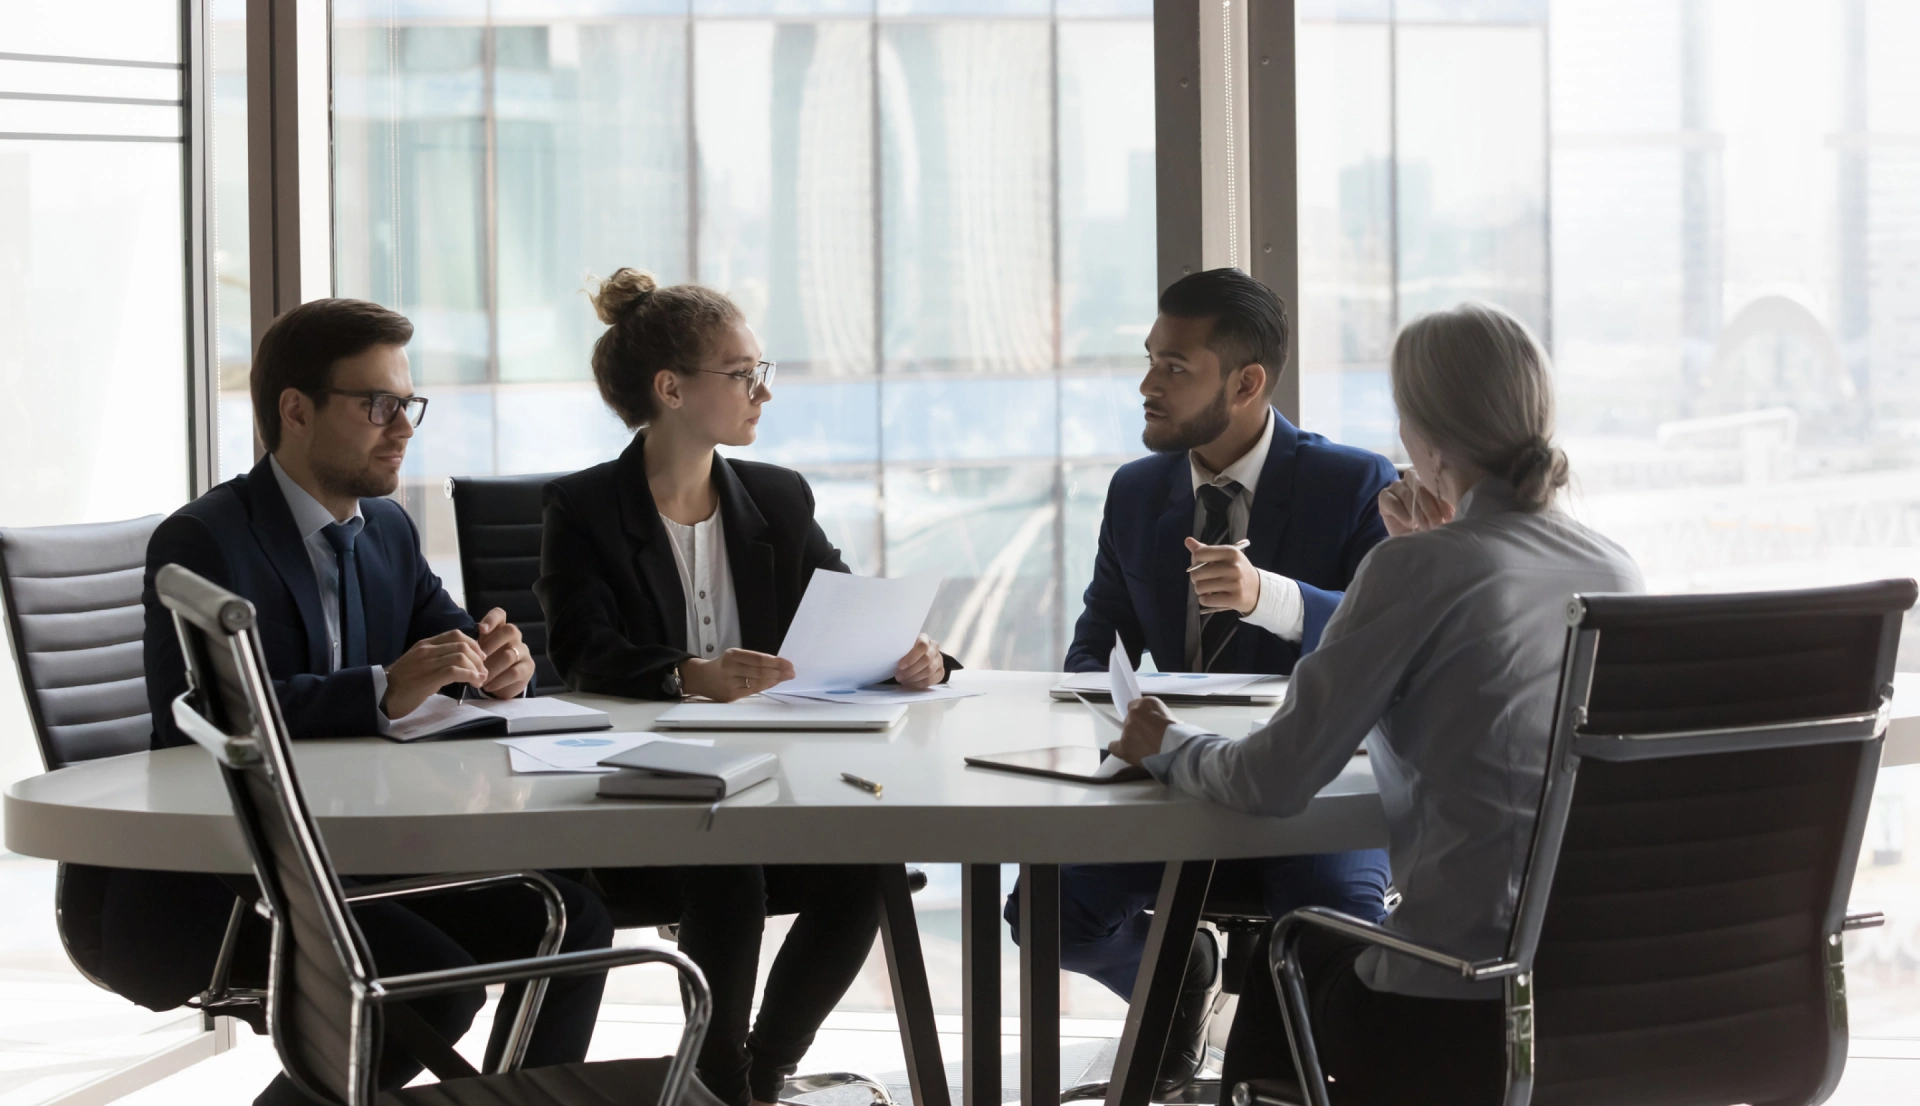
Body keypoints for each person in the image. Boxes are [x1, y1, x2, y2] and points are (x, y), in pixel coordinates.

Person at [1106, 302, 1643, 1105]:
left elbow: (1273, 782)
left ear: (1424, 437)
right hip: (1595, 1004)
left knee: (1283, 967)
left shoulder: (1425, 570)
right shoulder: (1615, 569)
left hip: (1450, 1009)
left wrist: (1166, 743)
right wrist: (1420, 548)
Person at [103, 298, 615, 1106]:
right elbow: (199, 711)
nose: (403, 427)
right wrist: (384, 687)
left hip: (366, 846)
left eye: (407, 405)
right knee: (434, 985)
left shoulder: (386, 529)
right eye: (378, 406)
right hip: (233, 870)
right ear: (296, 412)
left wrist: (495, 660)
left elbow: (450, 641)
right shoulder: (204, 538)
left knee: (573, 921)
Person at [535, 268, 954, 1106]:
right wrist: (688, 675)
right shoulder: (582, 508)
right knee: (726, 866)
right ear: (672, 390)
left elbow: (842, 619)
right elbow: (583, 653)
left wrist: (919, 660)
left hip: (770, 780)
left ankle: (761, 1071)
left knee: (869, 866)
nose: (763, 393)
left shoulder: (776, 498)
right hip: (634, 793)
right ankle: (718, 1079)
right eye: (744, 374)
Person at [1004, 267, 1397, 1088]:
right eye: (1150, 360)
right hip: (1173, 778)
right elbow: (1093, 643)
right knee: (1044, 917)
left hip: (1307, 789)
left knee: (1334, 931)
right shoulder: (1137, 490)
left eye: (1174, 367)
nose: (1147, 384)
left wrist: (1272, 598)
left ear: (1247, 382)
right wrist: (1105, 716)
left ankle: (1282, 1060)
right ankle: (1173, 974)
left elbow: (1389, 640)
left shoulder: (1355, 484)